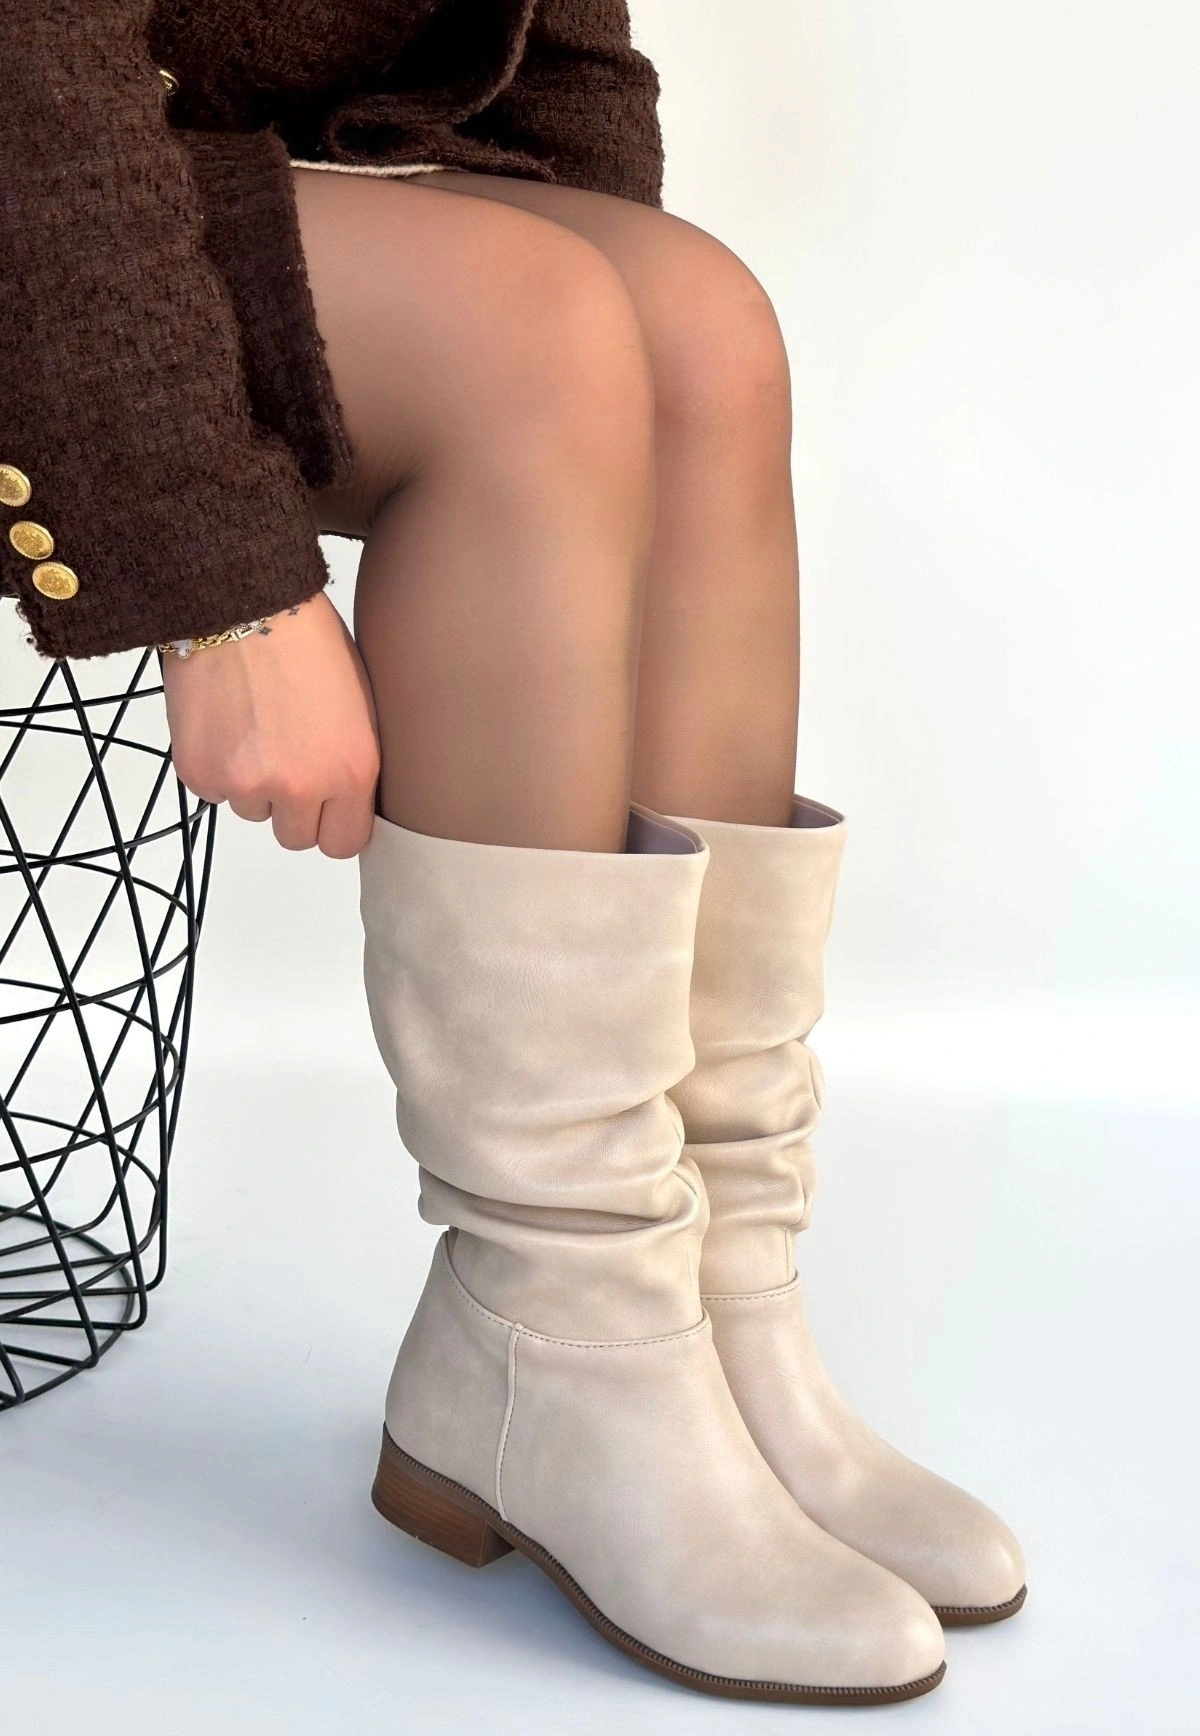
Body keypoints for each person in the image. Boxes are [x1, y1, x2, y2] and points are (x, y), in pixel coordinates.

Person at [2, 1, 1024, 1703]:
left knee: (696, 327)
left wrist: (626, 424)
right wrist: (220, 585)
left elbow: (542, 48)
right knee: (527, 339)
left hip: (158, 156)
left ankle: (704, 1307)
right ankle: (568, 1321)